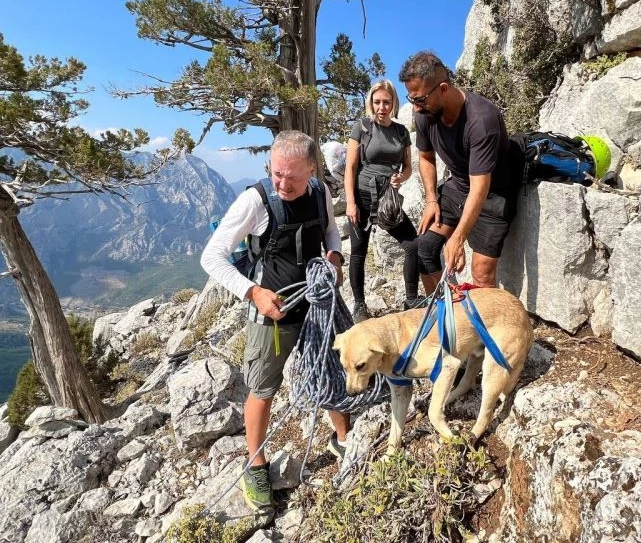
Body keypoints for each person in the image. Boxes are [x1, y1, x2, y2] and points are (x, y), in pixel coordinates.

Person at [200, 130, 349, 511]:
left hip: (316, 306)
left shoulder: (320, 192)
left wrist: (334, 257)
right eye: (276, 173)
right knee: (263, 389)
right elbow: (212, 256)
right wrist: (254, 293)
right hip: (273, 313)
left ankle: (342, 436)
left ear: (312, 170)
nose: (282, 183)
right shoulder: (256, 200)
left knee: (326, 369)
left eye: (292, 176)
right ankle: (256, 463)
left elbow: (330, 231)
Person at [398, 51, 520, 293]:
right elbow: (425, 157)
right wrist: (431, 199)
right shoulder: (424, 113)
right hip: (459, 185)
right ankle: (444, 314)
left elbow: (480, 187)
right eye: (411, 99)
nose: (415, 107)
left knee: (481, 275)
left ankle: (484, 326)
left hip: (493, 192)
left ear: (443, 88)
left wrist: (458, 238)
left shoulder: (481, 120)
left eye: (420, 99)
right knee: (425, 249)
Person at [344, 79, 422, 322]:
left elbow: (408, 167)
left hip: (388, 199)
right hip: (362, 196)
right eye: (377, 102)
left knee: (412, 245)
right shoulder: (362, 127)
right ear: (371, 103)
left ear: (393, 103)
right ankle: (359, 305)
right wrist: (350, 203)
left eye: (386, 102)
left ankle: (410, 298)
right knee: (358, 252)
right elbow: (350, 167)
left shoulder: (401, 132)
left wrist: (402, 177)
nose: (381, 107)